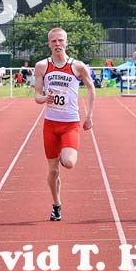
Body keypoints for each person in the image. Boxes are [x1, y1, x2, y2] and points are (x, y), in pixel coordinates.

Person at [34, 28, 96, 222]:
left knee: (68, 163)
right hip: (51, 125)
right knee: (52, 171)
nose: (57, 44)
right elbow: (37, 96)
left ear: (67, 42)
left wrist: (90, 115)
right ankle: (56, 205)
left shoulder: (77, 66)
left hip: (70, 123)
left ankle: (62, 154)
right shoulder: (42, 66)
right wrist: (45, 97)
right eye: (53, 41)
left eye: (60, 40)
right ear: (49, 44)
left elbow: (91, 88)